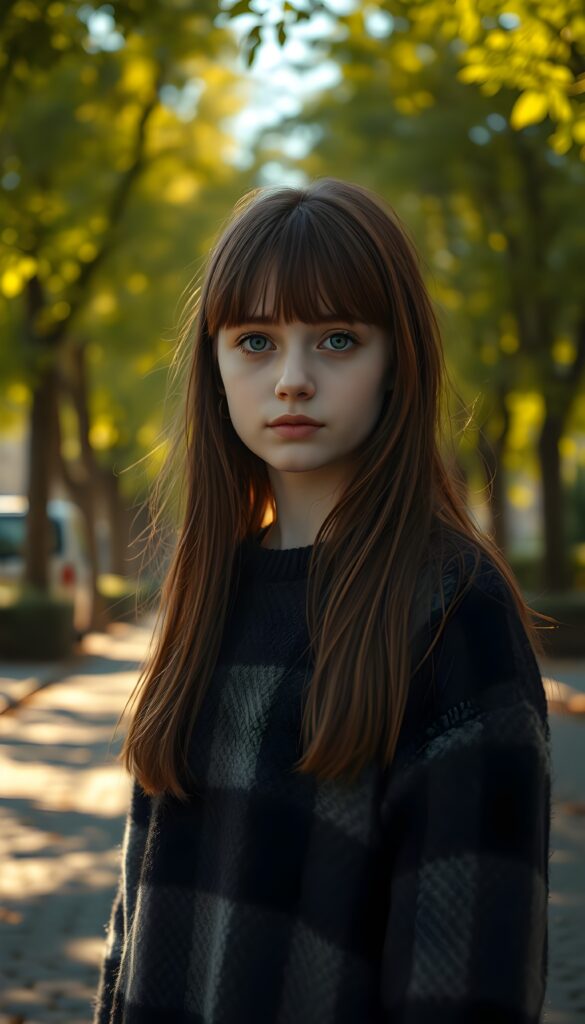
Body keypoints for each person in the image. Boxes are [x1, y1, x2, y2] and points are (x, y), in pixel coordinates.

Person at [92, 177, 554, 1024]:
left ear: (395, 363)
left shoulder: (454, 612)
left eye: (337, 339)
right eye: (256, 341)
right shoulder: (210, 592)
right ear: (215, 363)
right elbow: (138, 922)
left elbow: (468, 981)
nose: (293, 379)